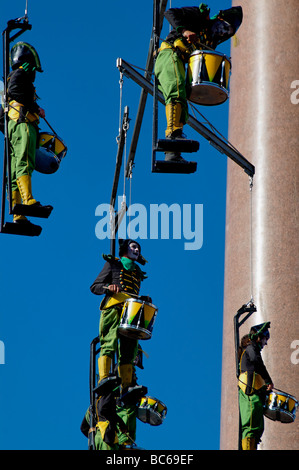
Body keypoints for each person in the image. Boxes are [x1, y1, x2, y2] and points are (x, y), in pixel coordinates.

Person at [154, 3, 242, 162]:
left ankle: (173, 153)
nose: (222, 31)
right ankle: (173, 135)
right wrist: (185, 30)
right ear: (219, 19)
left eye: (227, 32)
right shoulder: (199, 16)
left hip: (178, 61)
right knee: (177, 89)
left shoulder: (210, 42)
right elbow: (170, 13)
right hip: (169, 53)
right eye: (224, 26)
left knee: (182, 101)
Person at [90, 239, 149, 404]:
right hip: (114, 307)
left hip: (131, 312)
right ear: (125, 249)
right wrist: (109, 287)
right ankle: (104, 376)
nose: (137, 249)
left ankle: (126, 385)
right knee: (109, 342)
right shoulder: (113, 264)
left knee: (129, 349)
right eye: (133, 246)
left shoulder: (137, 271)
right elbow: (95, 287)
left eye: (138, 247)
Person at [7, 41, 52, 224]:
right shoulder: (20, 74)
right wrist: (35, 107)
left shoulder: (13, 76)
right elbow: (16, 91)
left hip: (14, 123)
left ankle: (18, 213)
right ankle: (28, 201)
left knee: (16, 167)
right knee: (25, 160)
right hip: (23, 120)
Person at [238, 322, 274, 450]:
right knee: (251, 425)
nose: (266, 343)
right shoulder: (251, 349)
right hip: (249, 392)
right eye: (265, 338)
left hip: (255, 393)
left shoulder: (252, 350)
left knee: (257, 427)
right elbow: (256, 362)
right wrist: (268, 379)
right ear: (259, 337)